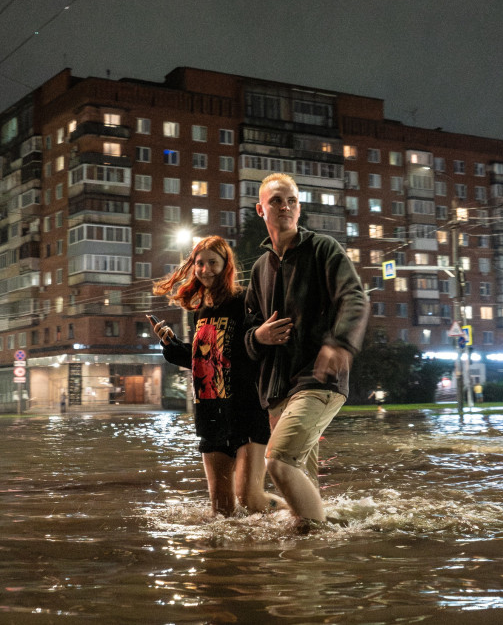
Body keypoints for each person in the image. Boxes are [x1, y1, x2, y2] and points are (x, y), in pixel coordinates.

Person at [244, 173, 368, 532]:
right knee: (301, 477)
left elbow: (354, 297)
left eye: (292, 201)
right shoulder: (258, 269)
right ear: (260, 209)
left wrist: (340, 342)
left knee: (278, 462)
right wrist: (259, 337)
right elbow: (248, 329)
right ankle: (308, 569)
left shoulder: (322, 248)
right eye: (276, 201)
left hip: (319, 379)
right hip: (277, 392)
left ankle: (320, 540)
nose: (285, 207)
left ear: (299, 208)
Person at [151, 235, 280, 517]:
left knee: (250, 499)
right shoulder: (200, 310)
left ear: (226, 266)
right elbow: (206, 358)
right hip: (210, 412)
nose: (205, 269)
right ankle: (227, 559)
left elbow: (250, 348)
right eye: (199, 263)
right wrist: (171, 346)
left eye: (213, 262)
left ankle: (300, 511)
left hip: (246, 410)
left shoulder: (243, 300)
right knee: (221, 512)